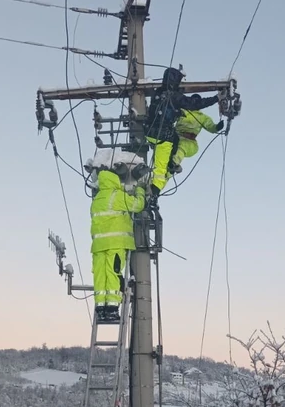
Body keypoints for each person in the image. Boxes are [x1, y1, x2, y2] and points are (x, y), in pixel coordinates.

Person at [145, 68, 224, 197]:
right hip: (164, 136)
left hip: (155, 133)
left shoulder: (159, 93)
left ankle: (171, 164)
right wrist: (216, 98)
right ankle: (154, 193)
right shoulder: (177, 100)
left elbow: (210, 126)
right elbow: (193, 103)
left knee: (175, 147)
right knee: (161, 169)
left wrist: (217, 127)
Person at [90, 166, 145, 321]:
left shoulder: (97, 199)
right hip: (115, 242)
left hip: (97, 245)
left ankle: (100, 308)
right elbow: (138, 205)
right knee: (113, 273)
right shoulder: (117, 196)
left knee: (100, 276)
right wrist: (140, 190)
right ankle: (112, 309)